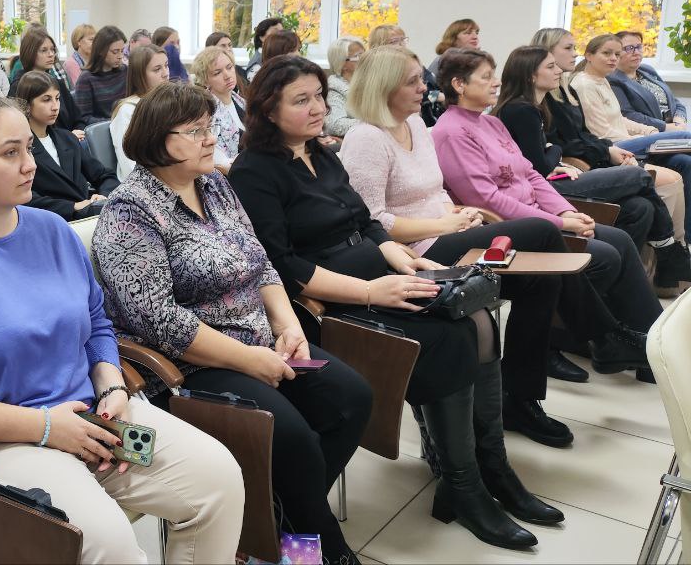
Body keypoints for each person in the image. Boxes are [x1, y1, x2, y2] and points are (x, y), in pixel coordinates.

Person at [0, 94, 245, 565]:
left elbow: (95, 324)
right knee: (107, 542)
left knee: (219, 480)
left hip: (86, 419)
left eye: (29, 149)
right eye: (10, 153)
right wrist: (46, 427)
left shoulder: (52, 231)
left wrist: (111, 385)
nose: (30, 164)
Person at [227, 55, 550, 550]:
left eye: (319, 96)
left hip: (374, 274)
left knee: (477, 315)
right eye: (301, 100)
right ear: (268, 110)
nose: (318, 108)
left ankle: (490, 467)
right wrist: (370, 290)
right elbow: (282, 265)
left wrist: (400, 256)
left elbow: (366, 221)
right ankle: (462, 484)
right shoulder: (255, 172)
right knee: (450, 337)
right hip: (327, 299)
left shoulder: (321, 153)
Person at [94, 82, 372, 564]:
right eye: (196, 131)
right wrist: (249, 360)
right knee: (293, 440)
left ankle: (270, 522)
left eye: (210, 127)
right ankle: (320, 550)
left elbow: (260, 262)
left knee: (353, 399)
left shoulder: (215, 185)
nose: (211, 139)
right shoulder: (129, 212)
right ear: (158, 140)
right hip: (191, 365)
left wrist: (289, 326)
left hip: (260, 342)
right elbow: (161, 322)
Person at [340, 45, 644, 447]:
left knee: (542, 277)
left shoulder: (414, 124)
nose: (423, 87)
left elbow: (435, 190)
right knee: (541, 232)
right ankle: (604, 336)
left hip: (449, 231)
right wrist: (445, 222)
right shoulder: (366, 138)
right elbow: (372, 222)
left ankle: (521, 399)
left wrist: (459, 212)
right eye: (412, 81)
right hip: (415, 254)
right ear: (384, 87)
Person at [431, 48, 659, 369]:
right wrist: (558, 223)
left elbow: (532, 174)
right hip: (506, 229)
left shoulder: (491, 123)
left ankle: (652, 342)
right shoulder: (452, 132)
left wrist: (566, 212)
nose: (496, 82)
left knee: (619, 240)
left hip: (540, 215)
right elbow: (486, 200)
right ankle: (578, 340)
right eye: (486, 77)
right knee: (604, 256)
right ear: (459, 84)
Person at [495, 45, 691, 297]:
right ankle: (668, 250)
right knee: (639, 176)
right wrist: (554, 150)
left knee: (640, 206)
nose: (558, 71)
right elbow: (540, 165)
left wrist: (553, 152)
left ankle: (622, 283)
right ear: (531, 75)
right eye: (550, 67)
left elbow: (546, 154)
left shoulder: (538, 106)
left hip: (560, 174)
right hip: (544, 189)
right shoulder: (522, 110)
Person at [530, 28, 687, 244]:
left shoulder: (568, 89)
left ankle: (673, 244)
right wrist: (608, 150)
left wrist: (642, 134)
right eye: (568, 48)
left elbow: (585, 134)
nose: (575, 53)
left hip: (600, 151)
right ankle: (670, 245)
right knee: (658, 163)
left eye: (617, 53)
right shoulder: (565, 91)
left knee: (651, 195)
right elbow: (558, 148)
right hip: (589, 159)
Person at [17, 71, 119, 221]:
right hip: (53, 221)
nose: (55, 106)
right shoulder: (20, 149)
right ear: (27, 104)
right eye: (46, 100)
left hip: (89, 216)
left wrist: (102, 196)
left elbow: (104, 175)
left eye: (57, 98)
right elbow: (25, 198)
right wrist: (73, 207)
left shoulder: (67, 138)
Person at [609, 30, 687, 130]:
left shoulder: (647, 70)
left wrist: (679, 120)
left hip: (673, 127)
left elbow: (674, 101)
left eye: (639, 47)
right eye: (629, 48)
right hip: (648, 132)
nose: (636, 52)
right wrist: (666, 127)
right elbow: (627, 115)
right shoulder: (612, 79)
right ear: (615, 53)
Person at [15, 28, 87, 136]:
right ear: (30, 52)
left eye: (52, 50)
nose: (51, 54)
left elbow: (78, 119)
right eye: (44, 50)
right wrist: (68, 137)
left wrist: (77, 134)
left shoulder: (57, 83)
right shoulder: (20, 85)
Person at [370, 24, 446, 126]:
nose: (401, 44)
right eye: (394, 41)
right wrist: (437, 96)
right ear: (379, 46)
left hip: (429, 118)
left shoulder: (413, 63)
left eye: (403, 40)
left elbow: (432, 84)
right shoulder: (378, 72)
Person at [111, 44, 167, 180]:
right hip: (141, 184)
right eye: (157, 69)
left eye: (166, 65)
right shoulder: (128, 110)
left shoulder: (169, 104)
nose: (166, 73)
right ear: (140, 75)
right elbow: (129, 164)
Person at [189, 46, 244, 174]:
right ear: (205, 80)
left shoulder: (242, 101)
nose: (227, 75)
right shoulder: (206, 112)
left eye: (229, 67)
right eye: (217, 73)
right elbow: (219, 163)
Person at [72, 25, 128, 121]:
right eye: (115, 52)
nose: (120, 56)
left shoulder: (125, 71)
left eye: (122, 51)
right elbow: (84, 117)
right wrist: (113, 122)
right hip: (103, 127)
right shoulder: (86, 78)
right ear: (101, 51)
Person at [324, 37, 366, 139]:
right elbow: (335, 125)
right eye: (358, 56)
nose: (365, 59)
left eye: (364, 54)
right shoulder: (334, 89)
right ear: (342, 63)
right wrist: (373, 122)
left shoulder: (366, 81)